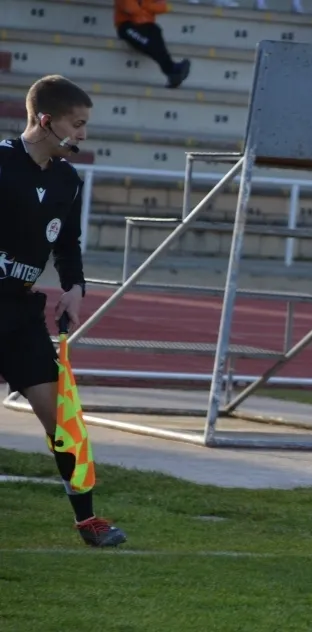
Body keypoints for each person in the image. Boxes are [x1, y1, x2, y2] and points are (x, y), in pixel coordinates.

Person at [0, 75, 127, 548]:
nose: (83, 134)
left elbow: (67, 243)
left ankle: (88, 521)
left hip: (20, 317)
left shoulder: (67, 180)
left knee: (64, 422)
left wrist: (74, 286)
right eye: (77, 124)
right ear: (46, 120)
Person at [114, 0, 191, 89]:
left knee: (156, 33)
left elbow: (164, 7)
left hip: (147, 24)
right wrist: (150, 6)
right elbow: (131, 8)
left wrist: (142, 4)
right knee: (149, 44)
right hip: (128, 26)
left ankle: (172, 72)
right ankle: (172, 70)